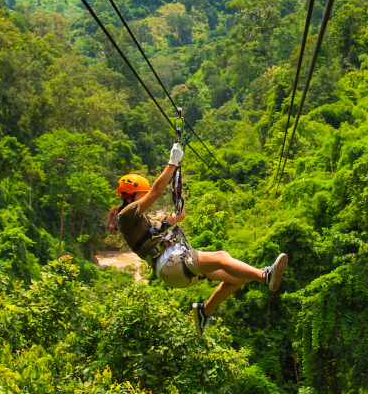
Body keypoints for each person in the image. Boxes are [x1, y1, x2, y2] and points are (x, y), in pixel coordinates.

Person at [107, 142, 288, 338]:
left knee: (238, 277)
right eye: (142, 194)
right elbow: (156, 192)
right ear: (131, 195)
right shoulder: (127, 215)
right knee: (221, 256)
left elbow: (179, 215)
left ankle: (204, 312)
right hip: (171, 265)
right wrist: (172, 163)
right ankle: (265, 276)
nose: (145, 198)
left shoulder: (148, 220)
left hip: (176, 267)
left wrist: (177, 183)